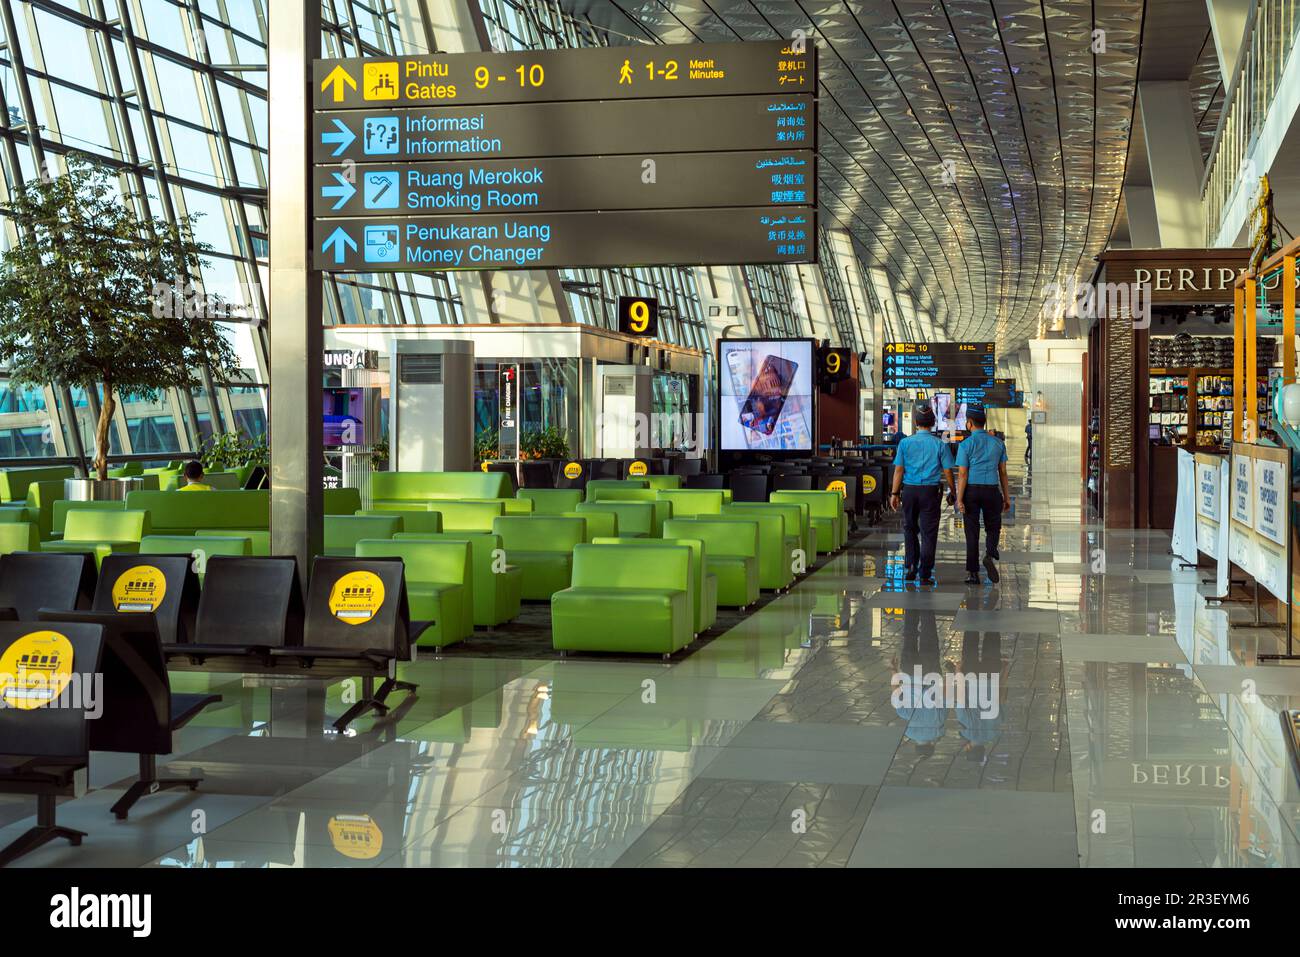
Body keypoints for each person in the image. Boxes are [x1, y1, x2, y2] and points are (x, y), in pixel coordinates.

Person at [889, 406, 955, 584]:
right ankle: (925, 573)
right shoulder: (940, 444)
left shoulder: (905, 443)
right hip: (930, 492)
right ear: (933, 423)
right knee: (928, 532)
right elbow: (948, 471)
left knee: (910, 528)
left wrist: (894, 493)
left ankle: (911, 566)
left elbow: (899, 470)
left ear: (916, 423)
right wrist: (953, 491)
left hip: (909, 491)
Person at [955, 408, 1010, 584]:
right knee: (993, 526)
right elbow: (1003, 472)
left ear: (970, 423)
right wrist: (1006, 497)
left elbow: (963, 473)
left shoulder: (966, 444)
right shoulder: (998, 443)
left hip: (971, 490)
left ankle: (973, 573)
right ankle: (989, 553)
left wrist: (959, 497)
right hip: (992, 490)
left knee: (971, 532)